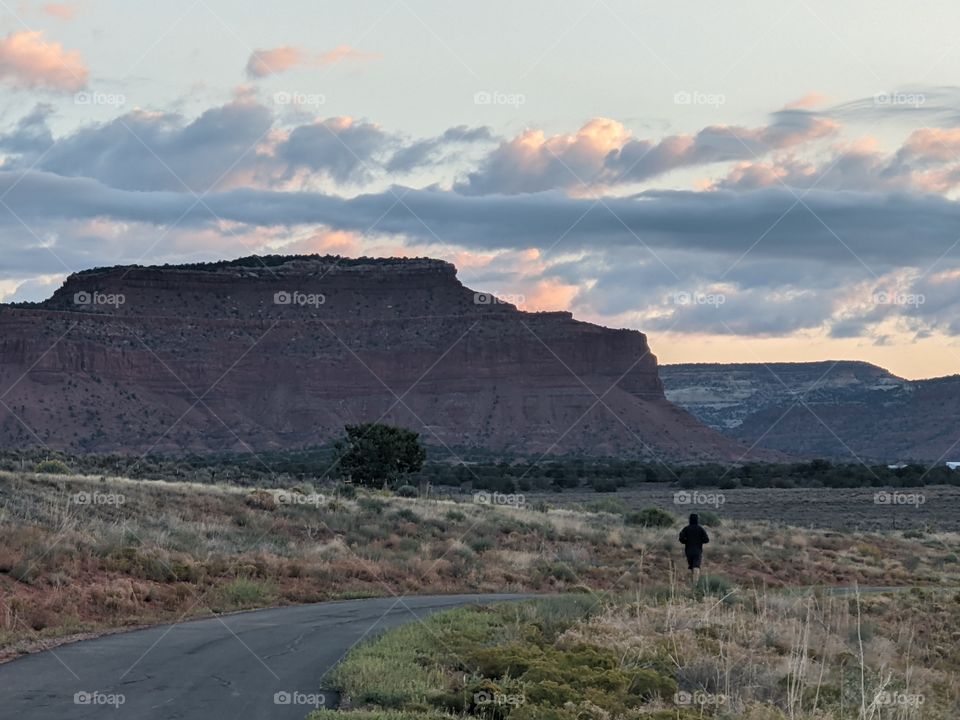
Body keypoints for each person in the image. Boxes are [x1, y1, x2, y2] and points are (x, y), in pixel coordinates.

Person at [678, 513, 709, 587]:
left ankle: (692, 581)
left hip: (688, 551)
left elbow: (681, 539)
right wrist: (700, 541)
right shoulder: (700, 529)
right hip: (698, 550)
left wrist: (686, 541)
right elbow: (706, 540)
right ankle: (695, 583)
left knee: (691, 566)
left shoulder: (686, 528)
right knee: (696, 566)